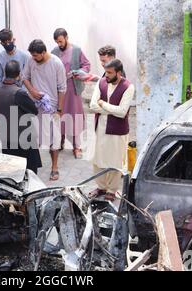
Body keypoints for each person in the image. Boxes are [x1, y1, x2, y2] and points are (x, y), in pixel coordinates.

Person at [89, 59, 134, 201]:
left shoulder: (128, 87)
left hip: (117, 131)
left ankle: (112, 190)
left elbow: (122, 112)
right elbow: (92, 105)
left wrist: (102, 103)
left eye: (109, 72)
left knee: (115, 161)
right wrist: (109, 108)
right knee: (98, 159)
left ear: (118, 73)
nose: (106, 75)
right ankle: (101, 187)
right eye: (105, 72)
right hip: (100, 128)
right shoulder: (101, 82)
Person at [22, 39, 67, 181]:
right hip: (34, 107)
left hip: (51, 108)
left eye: (36, 56)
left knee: (54, 138)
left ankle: (54, 167)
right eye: (32, 56)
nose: (34, 58)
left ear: (43, 52)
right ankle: (32, 165)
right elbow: (25, 77)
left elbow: (62, 88)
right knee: (33, 137)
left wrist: (59, 109)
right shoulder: (31, 61)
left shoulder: (56, 64)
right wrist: (32, 90)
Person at [0, 60, 42, 174]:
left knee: (12, 169)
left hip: (5, 137)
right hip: (22, 138)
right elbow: (33, 111)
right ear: (18, 74)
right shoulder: (19, 93)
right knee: (29, 171)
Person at [51, 28, 91, 159]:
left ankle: (77, 146)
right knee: (60, 116)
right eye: (57, 42)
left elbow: (86, 65)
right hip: (59, 91)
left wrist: (78, 72)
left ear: (67, 37)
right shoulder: (54, 52)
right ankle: (59, 142)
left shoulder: (77, 50)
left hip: (73, 89)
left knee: (74, 118)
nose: (59, 44)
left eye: (61, 41)